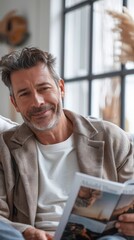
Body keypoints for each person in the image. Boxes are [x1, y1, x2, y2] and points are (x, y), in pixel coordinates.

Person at [0, 47, 133, 240]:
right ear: (15, 103)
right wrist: (26, 231)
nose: (37, 102)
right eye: (24, 94)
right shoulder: (4, 148)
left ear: (61, 88)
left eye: (43, 88)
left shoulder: (110, 137)